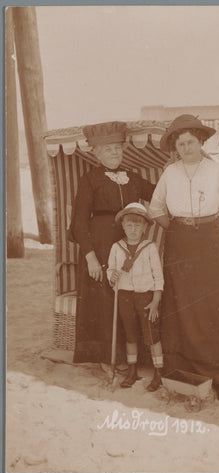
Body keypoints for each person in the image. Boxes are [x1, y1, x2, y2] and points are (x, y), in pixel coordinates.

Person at [148, 114, 219, 401]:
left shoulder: (216, 171)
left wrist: (205, 230)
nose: (186, 148)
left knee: (213, 304)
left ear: (201, 142)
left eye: (190, 142)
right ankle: (182, 366)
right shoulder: (170, 172)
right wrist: (180, 229)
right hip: (179, 242)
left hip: (210, 241)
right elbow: (156, 208)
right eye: (180, 143)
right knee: (181, 303)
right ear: (175, 147)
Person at [69, 122, 155, 364]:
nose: (115, 154)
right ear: (96, 153)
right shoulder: (89, 180)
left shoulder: (133, 178)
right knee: (105, 303)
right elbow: (78, 223)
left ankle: (133, 358)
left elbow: (157, 194)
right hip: (100, 249)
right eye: (108, 150)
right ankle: (107, 358)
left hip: (130, 244)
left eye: (118, 148)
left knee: (130, 297)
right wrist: (91, 258)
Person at [107, 203, 164, 392]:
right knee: (130, 334)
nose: (133, 230)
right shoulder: (117, 247)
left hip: (146, 297)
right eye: (129, 225)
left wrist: (155, 301)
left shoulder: (149, 248)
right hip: (124, 295)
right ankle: (132, 371)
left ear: (145, 228)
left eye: (138, 226)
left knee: (151, 335)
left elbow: (158, 276)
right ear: (123, 226)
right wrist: (111, 275)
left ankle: (158, 373)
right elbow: (111, 269)